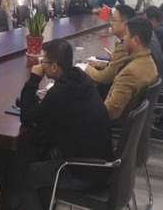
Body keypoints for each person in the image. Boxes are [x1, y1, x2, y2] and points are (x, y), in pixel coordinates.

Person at [16, 39, 112, 210]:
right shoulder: (81, 77)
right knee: (43, 150)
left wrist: (34, 79)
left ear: (54, 66)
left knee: (28, 174)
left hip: (84, 172)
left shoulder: (60, 92)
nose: (42, 66)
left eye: (44, 62)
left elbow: (27, 117)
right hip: (101, 163)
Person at [103, 17, 158, 122]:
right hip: (135, 123)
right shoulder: (150, 61)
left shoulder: (130, 73)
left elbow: (110, 111)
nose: (124, 38)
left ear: (135, 40)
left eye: (126, 34)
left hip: (115, 123)